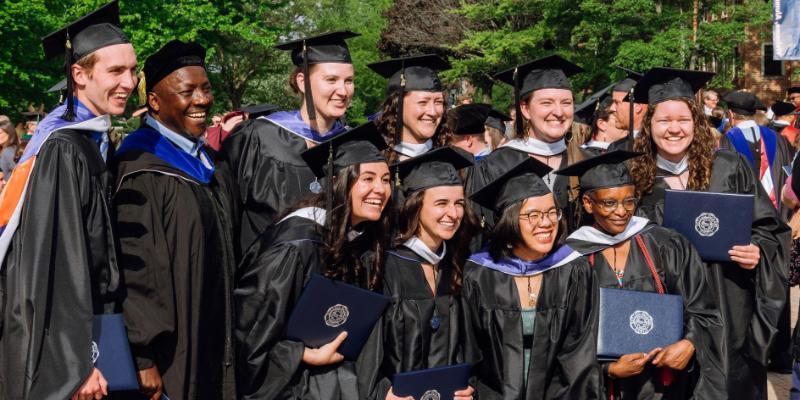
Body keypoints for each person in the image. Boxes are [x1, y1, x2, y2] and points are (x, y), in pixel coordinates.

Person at [0, 2, 137, 398]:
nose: (129, 82)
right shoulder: (63, 148)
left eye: (133, 70)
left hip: (88, 331)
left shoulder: (90, 140)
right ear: (79, 74)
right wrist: (76, 363)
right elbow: (56, 263)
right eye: (115, 71)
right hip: (63, 349)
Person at [628, 67, 790, 399]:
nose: (674, 129)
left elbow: (770, 230)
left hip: (729, 310)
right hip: (663, 313)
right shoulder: (632, 178)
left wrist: (757, 249)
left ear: (697, 122)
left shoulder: (728, 167)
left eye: (683, 119)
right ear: (649, 124)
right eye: (664, 120)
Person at [113, 40, 236, 400]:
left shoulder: (211, 164)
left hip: (217, 341)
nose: (201, 100)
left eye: (206, 89)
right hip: (171, 358)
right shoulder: (140, 169)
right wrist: (142, 356)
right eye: (187, 92)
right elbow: (136, 272)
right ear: (154, 101)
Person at [234, 122, 392, 399]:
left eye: (386, 179)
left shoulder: (358, 240)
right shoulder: (296, 244)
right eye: (367, 179)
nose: (380, 189)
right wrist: (302, 354)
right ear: (337, 182)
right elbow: (250, 331)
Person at [557, 150, 725, 399]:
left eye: (629, 201)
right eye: (609, 203)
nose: (622, 211)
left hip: (666, 386)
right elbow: (566, 337)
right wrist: (607, 370)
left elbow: (703, 309)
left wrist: (690, 343)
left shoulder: (666, 244)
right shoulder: (571, 258)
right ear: (588, 204)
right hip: (605, 389)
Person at [461, 152, 600, 398]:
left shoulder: (574, 271)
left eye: (552, 212)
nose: (546, 223)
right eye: (533, 215)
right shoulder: (480, 275)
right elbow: (470, 350)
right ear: (509, 220)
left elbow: (580, 354)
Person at [221, 31, 358, 254]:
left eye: (349, 81)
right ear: (302, 82)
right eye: (331, 80)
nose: (343, 91)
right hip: (263, 271)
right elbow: (226, 215)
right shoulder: (258, 137)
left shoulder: (353, 146)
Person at [376, 147, 477, 400]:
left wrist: (467, 389)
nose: (453, 214)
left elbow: (470, 351)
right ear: (415, 205)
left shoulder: (456, 265)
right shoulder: (384, 266)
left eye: (459, 204)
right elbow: (367, 353)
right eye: (441, 203)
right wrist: (381, 392)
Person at [493, 55, 583, 231]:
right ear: (525, 109)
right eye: (547, 103)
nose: (559, 112)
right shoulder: (498, 164)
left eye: (566, 103)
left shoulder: (584, 161)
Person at [720, 91, 792, 219]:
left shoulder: (728, 139)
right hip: (778, 216)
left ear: (731, 114)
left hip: (746, 216)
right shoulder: (778, 138)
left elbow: (724, 180)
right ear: (753, 114)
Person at [369, 55, 451, 164]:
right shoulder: (372, 160)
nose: (433, 112)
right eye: (423, 102)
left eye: (438, 102)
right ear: (397, 106)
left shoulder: (454, 160)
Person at [607, 67, 646, 147]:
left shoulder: (659, 146)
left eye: (617, 102)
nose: (611, 108)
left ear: (638, 106)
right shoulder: (615, 147)